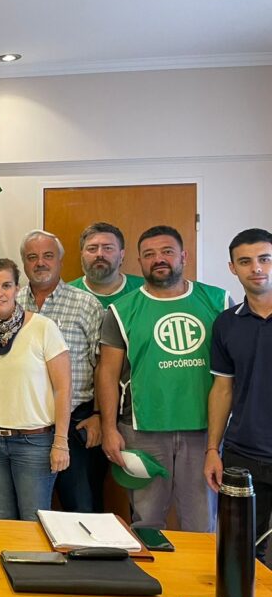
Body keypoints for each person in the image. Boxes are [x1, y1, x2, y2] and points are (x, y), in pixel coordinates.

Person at [99, 225, 230, 532]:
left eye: (167, 252)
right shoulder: (121, 310)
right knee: (147, 524)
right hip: (142, 431)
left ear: (184, 256)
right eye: (149, 254)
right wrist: (108, 428)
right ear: (139, 261)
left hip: (204, 433)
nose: (159, 259)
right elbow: (107, 373)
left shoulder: (218, 300)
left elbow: (232, 372)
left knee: (201, 525)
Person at [0, 258, 71, 521]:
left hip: (33, 443)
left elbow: (63, 389)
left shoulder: (44, 328)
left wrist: (61, 442)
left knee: (33, 519)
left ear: (17, 288)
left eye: (6, 285)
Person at [18, 230, 105, 513]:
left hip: (77, 423)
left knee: (82, 509)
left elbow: (103, 365)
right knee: (29, 511)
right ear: (23, 262)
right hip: (25, 427)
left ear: (60, 260)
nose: (40, 263)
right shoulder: (11, 303)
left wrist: (99, 415)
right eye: (32, 257)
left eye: (48, 256)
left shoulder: (86, 304)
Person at [205, 228, 272, 559]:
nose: (256, 268)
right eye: (245, 261)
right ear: (233, 268)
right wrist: (212, 450)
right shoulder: (226, 323)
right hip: (242, 455)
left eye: (264, 259)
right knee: (241, 553)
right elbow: (222, 389)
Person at [69, 222, 145, 307]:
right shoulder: (66, 293)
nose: (100, 254)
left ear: (121, 255)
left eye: (108, 248)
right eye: (92, 248)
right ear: (82, 255)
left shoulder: (145, 289)